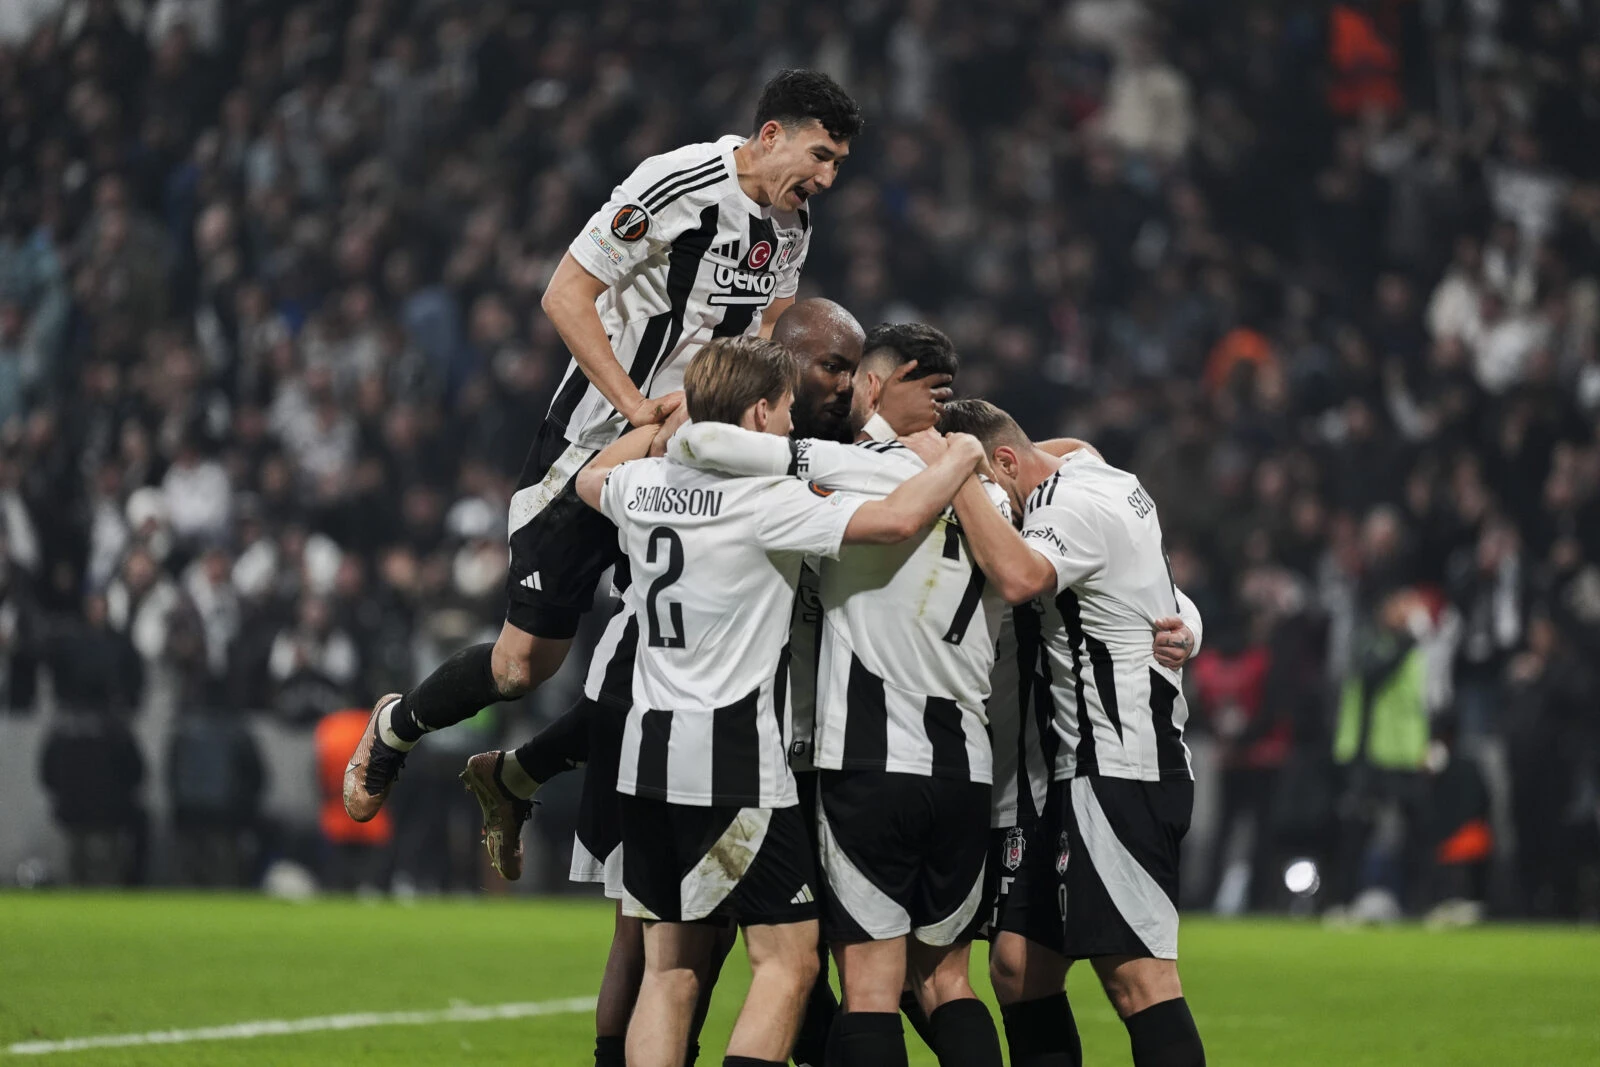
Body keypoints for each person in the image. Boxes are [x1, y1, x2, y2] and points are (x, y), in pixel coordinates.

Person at [344, 69, 863, 822]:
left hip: (687, 459)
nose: (827, 177)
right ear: (771, 134)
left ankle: (528, 779)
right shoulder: (676, 181)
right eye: (820, 155)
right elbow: (564, 293)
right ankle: (399, 727)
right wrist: (637, 407)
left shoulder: (792, 227)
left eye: (839, 165)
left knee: (676, 653)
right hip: (592, 442)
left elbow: (768, 338)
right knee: (520, 667)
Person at [573, 335, 987, 1067]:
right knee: (790, 960)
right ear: (761, 411)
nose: (795, 425)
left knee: (669, 970)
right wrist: (956, 461)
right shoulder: (766, 500)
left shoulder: (641, 489)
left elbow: (589, 479)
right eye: (789, 410)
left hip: (646, 754)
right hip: (732, 755)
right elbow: (894, 520)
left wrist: (656, 423)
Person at [937, 400, 1207, 1067]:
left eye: (986, 487)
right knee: (1019, 966)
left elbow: (1023, 576)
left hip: (1119, 763)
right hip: (1054, 770)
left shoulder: (1065, 507)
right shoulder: (1092, 472)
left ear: (1000, 465)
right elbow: (1067, 446)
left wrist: (959, 481)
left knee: (1138, 978)